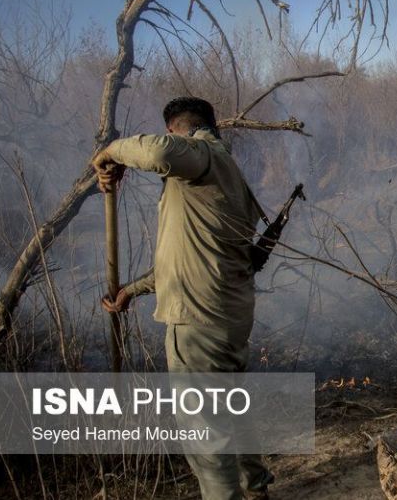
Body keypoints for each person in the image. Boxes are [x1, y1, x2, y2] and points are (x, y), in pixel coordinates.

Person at [93, 97, 274, 500]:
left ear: (179, 130)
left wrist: (109, 152)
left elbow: (157, 152)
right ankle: (257, 488)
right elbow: (189, 262)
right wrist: (130, 292)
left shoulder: (203, 154)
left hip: (198, 322)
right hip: (228, 318)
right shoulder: (228, 177)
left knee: (206, 435)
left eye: (171, 135)